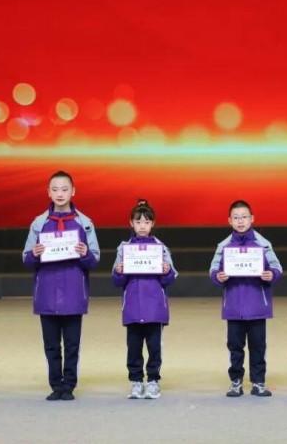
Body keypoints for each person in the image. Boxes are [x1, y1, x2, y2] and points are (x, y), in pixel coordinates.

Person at [22, 170, 100, 401]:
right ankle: (56, 385)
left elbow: (95, 259)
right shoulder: (39, 223)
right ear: (48, 192)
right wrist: (34, 254)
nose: (60, 193)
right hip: (46, 294)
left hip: (74, 293)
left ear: (73, 191)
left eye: (64, 189)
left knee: (72, 345)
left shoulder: (84, 223)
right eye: (55, 189)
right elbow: (26, 258)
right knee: (51, 345)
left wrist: (85, 253)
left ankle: (69, 385)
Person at [210, 200, 283, 398]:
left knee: (258, 346)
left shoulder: (263, 244)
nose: (240, 221)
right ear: (229, 220)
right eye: (236, 218)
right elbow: (213, 269)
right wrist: (218, 276)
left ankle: (258, 382)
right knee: (235, 347)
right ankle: (236, 382)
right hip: (233, 307)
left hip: (258, 306)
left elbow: (277, 267)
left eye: (244, 217)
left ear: (252, 219)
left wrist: (272, 274)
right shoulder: (224, 246)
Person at [112, 200, 177, 400]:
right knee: (133, 347)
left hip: (155, 308)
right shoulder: (124, 249)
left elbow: (171, 277)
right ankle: (136, 381)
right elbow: (117, 280)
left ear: (152, 224)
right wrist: (119, 271)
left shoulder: (160, 248)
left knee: (154, 347)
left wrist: (166, 271)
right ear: (131, 223)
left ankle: (153, 381)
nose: (142, 226)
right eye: (138, 221)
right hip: (132, 307)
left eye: (146, 222)